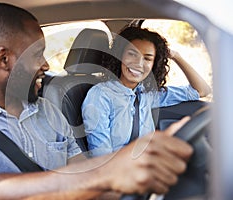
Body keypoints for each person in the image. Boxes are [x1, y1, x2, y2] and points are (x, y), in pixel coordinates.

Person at [0, 3, 193, 199]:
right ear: (4, 60)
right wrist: (109, 172)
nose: (46, 65)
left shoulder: (47, 110)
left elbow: (82, 172)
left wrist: (139, 185)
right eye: (37, 55)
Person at [82, 26, 211, 157]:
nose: (138, 63)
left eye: (147, 58)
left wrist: (176, 56)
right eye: (132, 54)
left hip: (148, 163)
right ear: (120, 55)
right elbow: (101, 156)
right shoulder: (100, 95)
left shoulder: (148, 94)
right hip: (120, 171)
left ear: (154, 64)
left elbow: (202, 90)